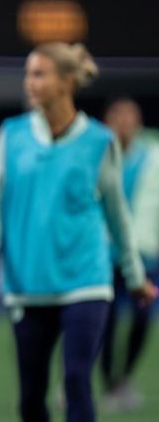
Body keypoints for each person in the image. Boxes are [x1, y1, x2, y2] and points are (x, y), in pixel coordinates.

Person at [0, 42, 156, 422]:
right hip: (28, 282)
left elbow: (117, 215)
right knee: (32, 397)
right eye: (27, 74)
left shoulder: (99, 141)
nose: (29, 83)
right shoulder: (12, 134)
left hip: (86, 279)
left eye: (39, 74)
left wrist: (134, 276)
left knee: (75, 380)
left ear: (67, 82)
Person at [100, 97, 159, 412]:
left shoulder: (153, 158)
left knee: (141, 318)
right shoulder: (97, 155)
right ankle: (108, 381)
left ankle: (124, 379)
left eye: (129, 117)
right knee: (104, 321)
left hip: (142, 254)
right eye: (117, 117)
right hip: (103, 254)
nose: (123, 123)